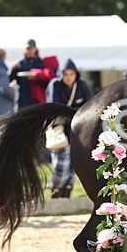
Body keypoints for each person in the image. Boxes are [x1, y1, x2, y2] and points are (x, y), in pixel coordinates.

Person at [46, 59, 94, 199]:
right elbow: (54, 107)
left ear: (76, 74)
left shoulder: (82, 85)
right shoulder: (55, 85)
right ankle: (55, 191)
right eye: (65, 74)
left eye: (71, 74)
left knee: (74, 165)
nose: (68, 77)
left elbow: (89, 105)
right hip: (60, 131)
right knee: (61, 166)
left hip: (78, 132)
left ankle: (67, 192)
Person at [10, 39, 58, 109]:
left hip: (38, 100)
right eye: (27, 48)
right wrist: (13, 69)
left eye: (31, 48)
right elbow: (12, 80)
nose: (29, 51)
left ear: (35, 49)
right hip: (23, 99)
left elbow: (47, 84)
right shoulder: (19, 63)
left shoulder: (42, 63)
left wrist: (37, 79)